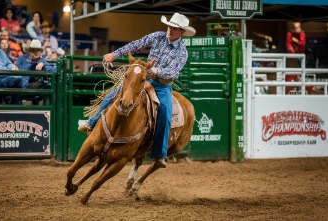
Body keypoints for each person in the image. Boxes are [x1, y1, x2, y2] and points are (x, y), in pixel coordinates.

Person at [78, 13, 196, 168]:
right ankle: (92, 123)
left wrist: (155, 70)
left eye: (174, 28)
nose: (170, 30)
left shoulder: (182, 52)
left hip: (161, 85)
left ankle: (159, 154)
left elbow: (172, 72)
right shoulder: (157, 36)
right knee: (115, 93)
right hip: (143, 79)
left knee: (165, 113)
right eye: (169, 26)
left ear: (181, 32)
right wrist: (115, 54)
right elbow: (136, 44)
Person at [15, 39, 56, 104]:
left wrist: (43, 64)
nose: (36, 52)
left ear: (40, 52)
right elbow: (16, 72)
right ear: (29, 51)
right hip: (23, 85)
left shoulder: (42, 60)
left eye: (38, 50)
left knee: (49, 86)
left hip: (38, 87)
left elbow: (54, 70)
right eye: (34, 50)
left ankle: (51, 111)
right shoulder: (22, 59)